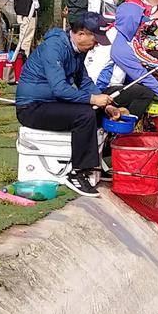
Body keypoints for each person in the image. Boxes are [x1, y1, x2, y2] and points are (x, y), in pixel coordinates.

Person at [15, 11, 119, 197]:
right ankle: (78, 172)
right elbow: (60, 89)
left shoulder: (77, 50)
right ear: (80, 34)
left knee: (99, 113)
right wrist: (93, 100)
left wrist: (105, 104)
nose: (95, 46)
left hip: (51, 104)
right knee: (85, 114)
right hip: (32, 107)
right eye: (95, 40)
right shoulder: (54, 48)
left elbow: (84, 81)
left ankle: (94, 165)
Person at [86, 2, 158, 118]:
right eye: (138, 22)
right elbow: (140, 74)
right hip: (99, 91)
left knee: (146, 85)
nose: (139, 26)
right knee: (146, 92)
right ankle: (127, 126)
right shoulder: (118, 45)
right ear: (130, 22)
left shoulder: (116, 34)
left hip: (106, 86)